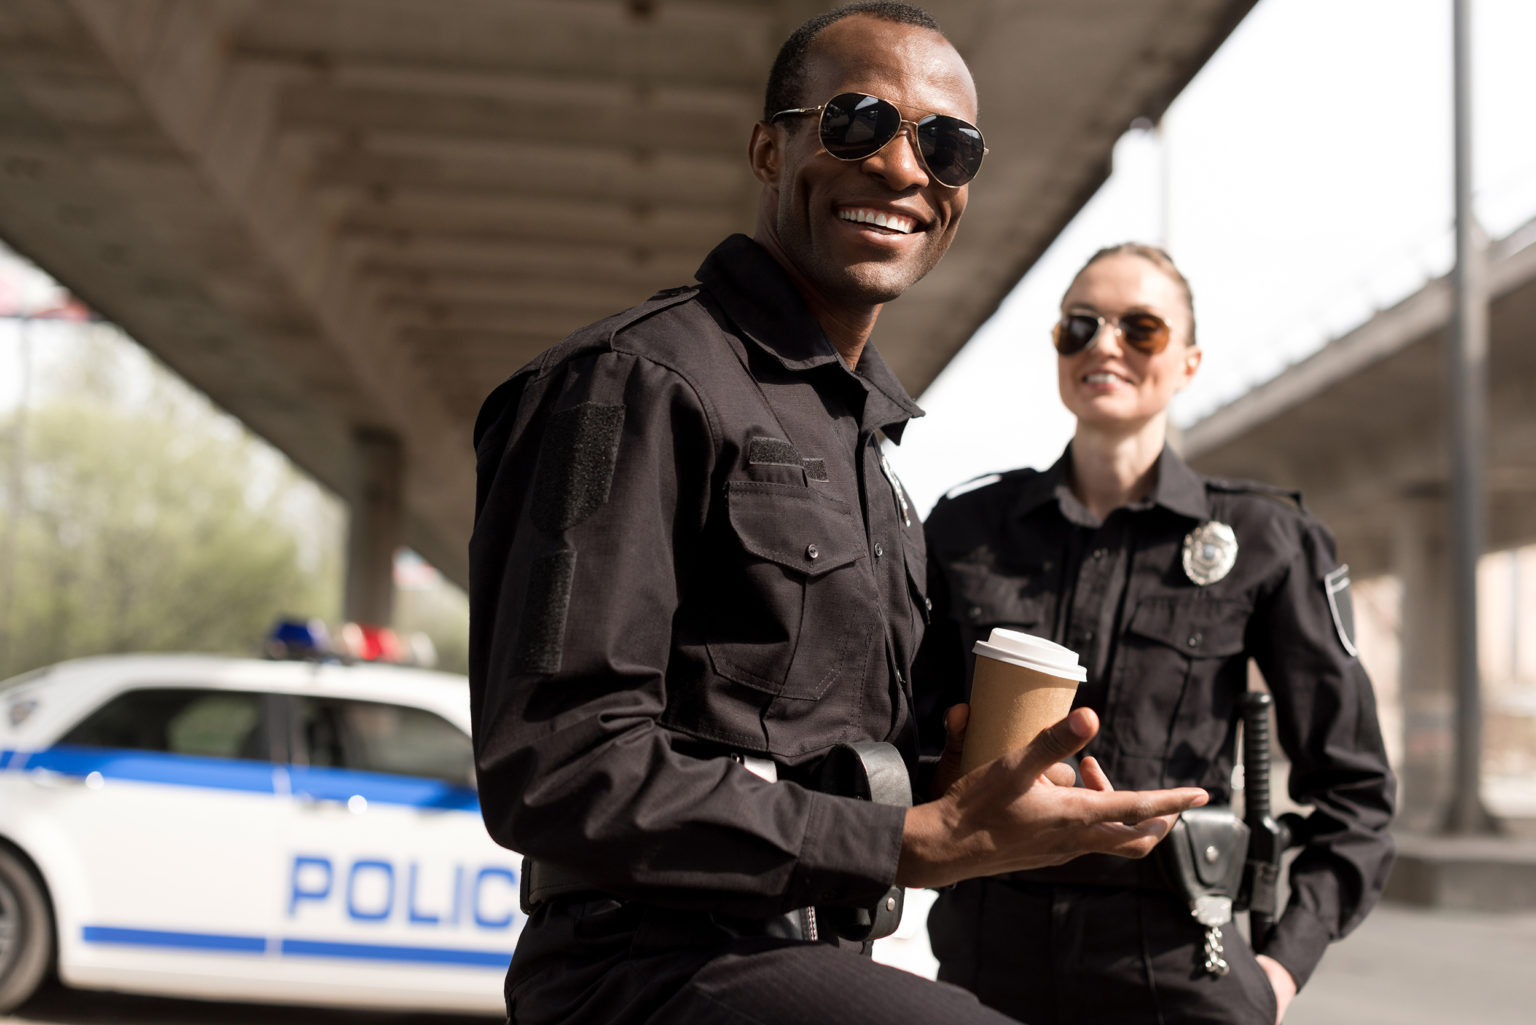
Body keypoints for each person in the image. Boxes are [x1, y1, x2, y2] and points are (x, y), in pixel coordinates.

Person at [468, 6, 1209, 1024]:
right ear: (771, 148)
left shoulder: (864, 451)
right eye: (860, 122)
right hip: (644, 967)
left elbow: (817, 750)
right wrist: (900, 842)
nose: (906, 169)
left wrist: (990, 796)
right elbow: (555, 767)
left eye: (947, 146)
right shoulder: (633, 383)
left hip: (812, 954)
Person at [915, 242, 1397, 1025]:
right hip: (985, 962)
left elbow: (1356, 796)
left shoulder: (1268, 539)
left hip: (1180, 962)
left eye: (1141, 328)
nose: (1105, 345)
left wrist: (1278, 969)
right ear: (1057, 348)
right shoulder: (967, 528)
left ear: (1189, 361)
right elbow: (904, 734)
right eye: (1081, 325)